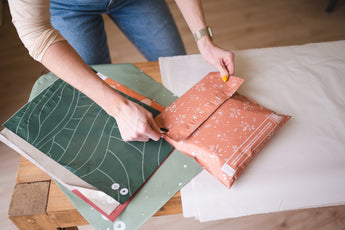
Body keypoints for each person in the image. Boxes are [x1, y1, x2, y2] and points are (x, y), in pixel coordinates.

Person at [8, 0, 235, 142]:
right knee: (92, 95)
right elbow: (34, 31)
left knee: (175, 61)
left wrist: (203, 40)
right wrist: (119, 108)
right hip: (68, 6)